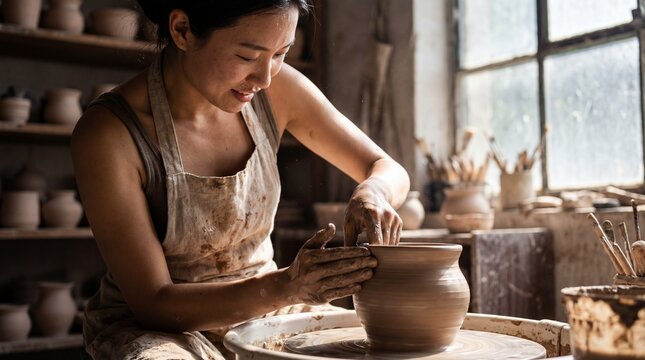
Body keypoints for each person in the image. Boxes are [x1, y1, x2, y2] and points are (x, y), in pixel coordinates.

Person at [71, 1, 410, 359]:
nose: (264, 78)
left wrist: (373, 191)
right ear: (182, 30)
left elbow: (385, 165)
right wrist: (289, 285)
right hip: (160, 328)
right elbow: (153, 302)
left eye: (282, 53)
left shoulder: (277, 91)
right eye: (248, 56)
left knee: (386, 346)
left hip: (270, 307)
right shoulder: (109, 133)